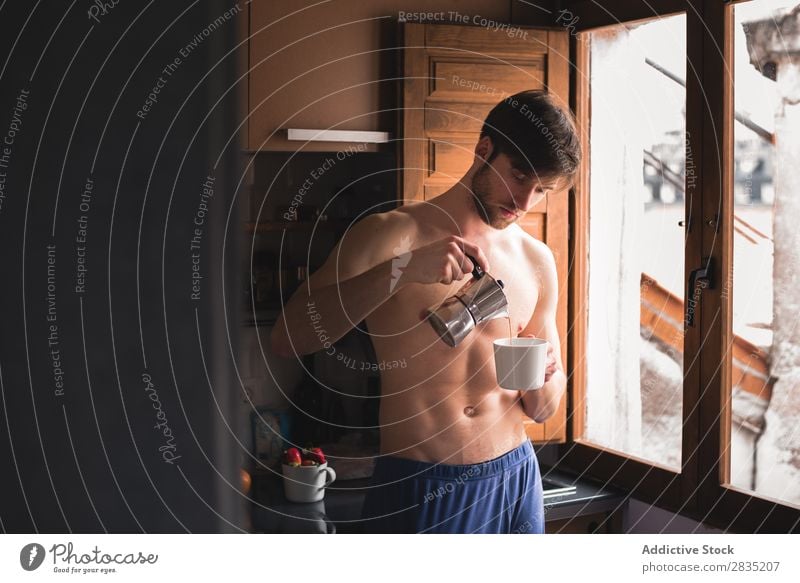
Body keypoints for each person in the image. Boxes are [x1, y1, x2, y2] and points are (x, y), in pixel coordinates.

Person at [271, 90, 581, 533]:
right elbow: (287, 338)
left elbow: (544, 409)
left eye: (542, 190)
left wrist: (545, 376)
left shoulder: (536, 259)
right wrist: (399, 272)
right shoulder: (391, 236)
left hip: (515, 478)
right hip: (422, 485)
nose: (526, 202)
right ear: (484, 149)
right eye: (519, 176)